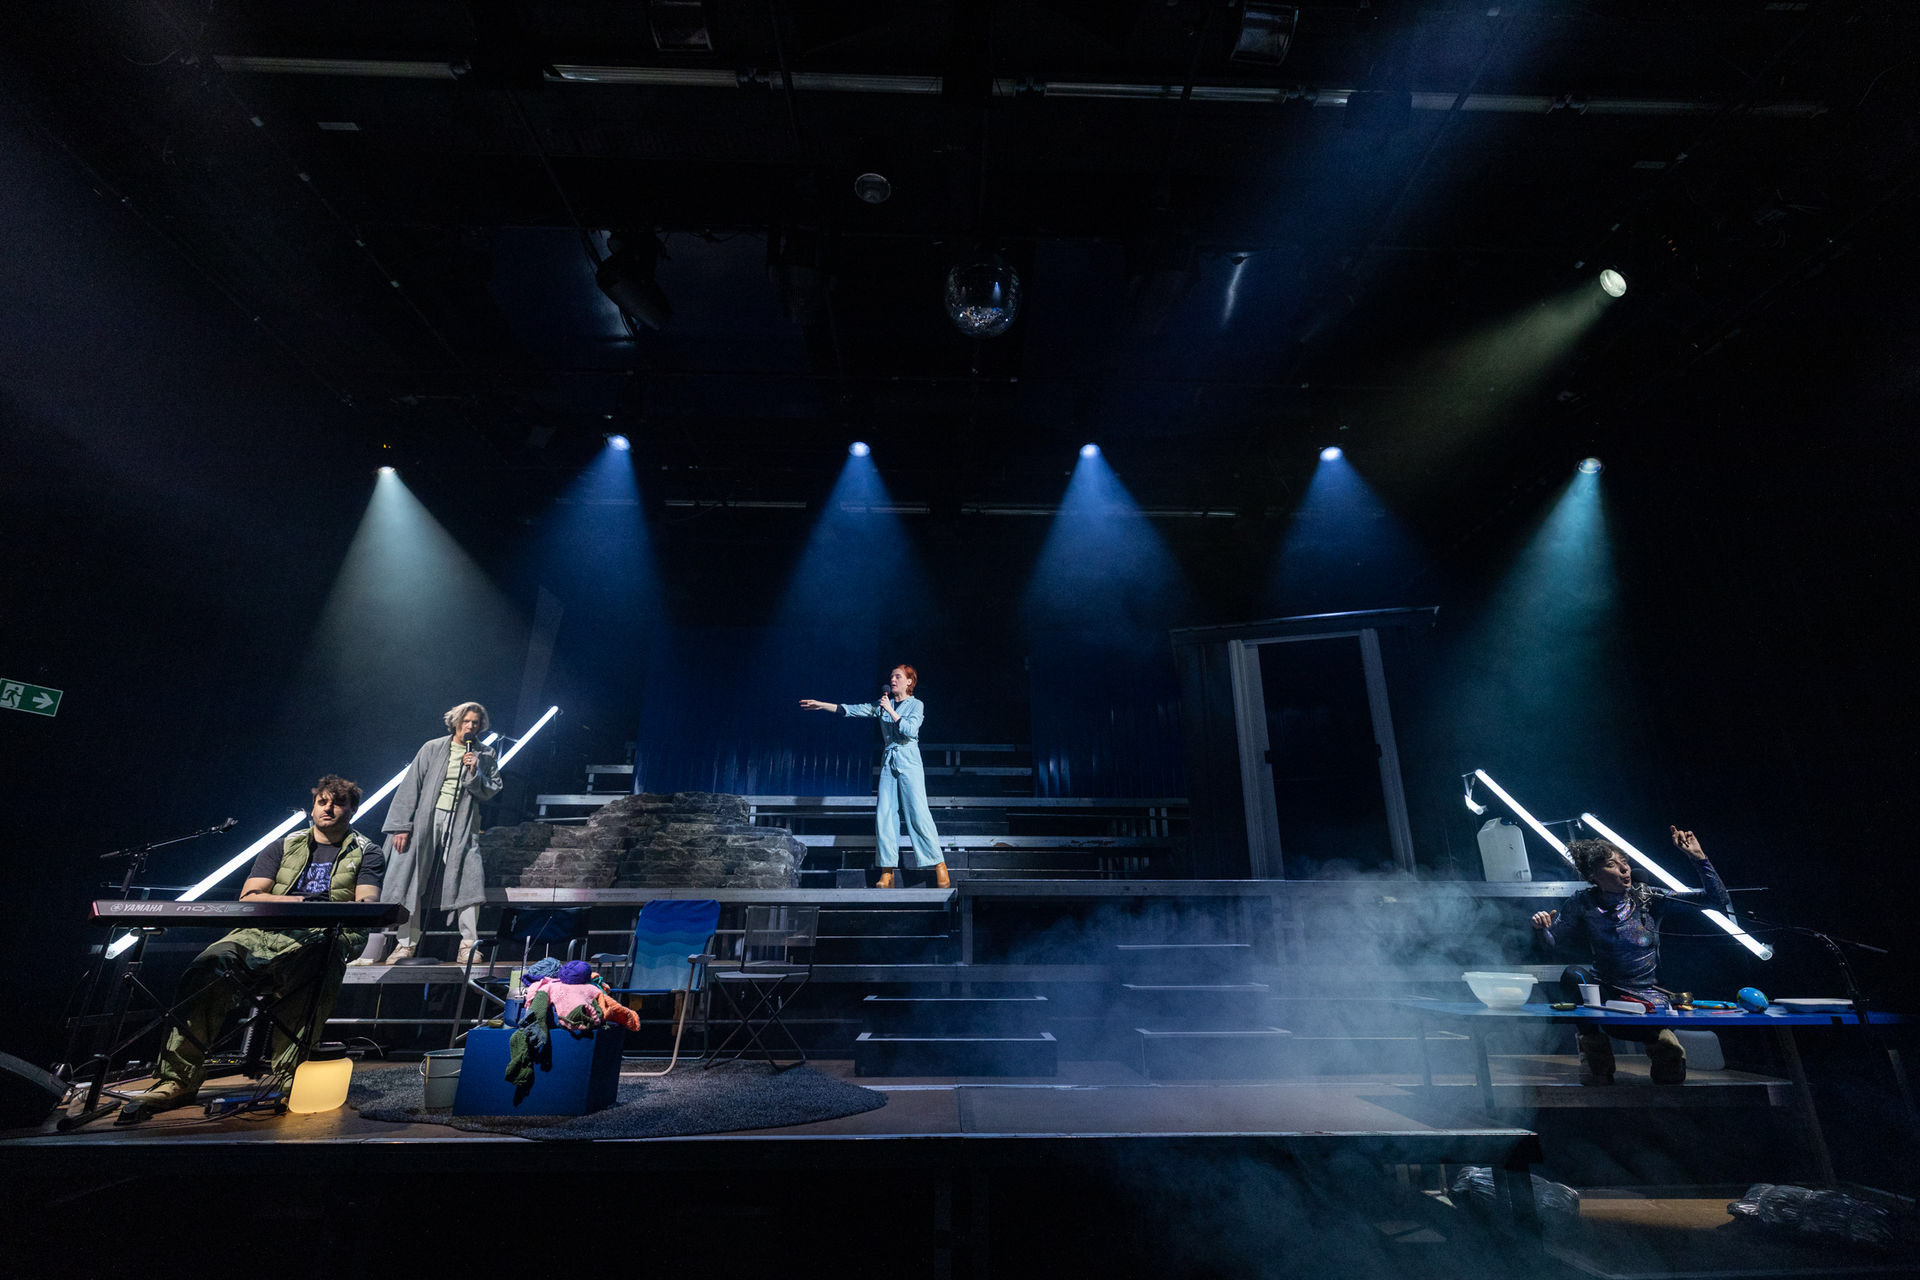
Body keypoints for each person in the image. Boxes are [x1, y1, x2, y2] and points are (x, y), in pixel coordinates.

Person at [124, 775, 385, 1119]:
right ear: (312, 806)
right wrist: (302, 901)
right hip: (260, 933)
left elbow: (366, 905)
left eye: (338, 803)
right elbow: (251, 896)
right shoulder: (283, 845)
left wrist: (314, 913)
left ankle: (291, 1078)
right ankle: (177, 1080)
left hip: (320, 935)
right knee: (208, 965)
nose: (328, 808)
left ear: (352, 810)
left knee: (319, 964)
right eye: (322, 801)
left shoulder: (367, 851)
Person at [1531, 826, 1733, 1085]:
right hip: (1605, 993)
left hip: (1646, 995)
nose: (1624, 869)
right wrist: (1541, 929)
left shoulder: (1648, 897)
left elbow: (1716, 900)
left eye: (1624, 862)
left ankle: (1664, 1047)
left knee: (1669, 1077)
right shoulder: (1583, 902)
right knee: (1573, 976)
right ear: (1594, 875)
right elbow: (1550, 943)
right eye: (1611, 865)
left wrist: (1699, 858)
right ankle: (1596, 1060)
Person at [358, 701, 502, 965]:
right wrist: (402, 825)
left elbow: (491, 789)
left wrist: (475, 770)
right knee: (411, 877)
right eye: (466, 721)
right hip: (426, 820)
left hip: (463, 822)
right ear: (456, 722)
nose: (470, 726)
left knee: (469, 878)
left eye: (475, 723)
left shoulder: (486, 753)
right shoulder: (432, 747)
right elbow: (411, 785)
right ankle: (405, 944)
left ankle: (468, 945)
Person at [800, 665, 950, 888]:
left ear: (909, 681)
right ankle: (887, 871)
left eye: (898, 676)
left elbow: (910, 730)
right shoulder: (882, 703)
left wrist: (890, 710)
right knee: (884, 814)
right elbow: (852, 710)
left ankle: (939, 864)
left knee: (918, 813)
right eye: (891, 676)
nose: (892, 679)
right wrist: (823, 705)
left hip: (909, 760)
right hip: (889, 761)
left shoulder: (916, 704)